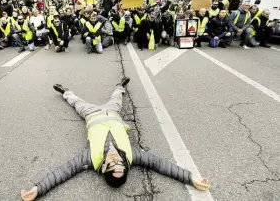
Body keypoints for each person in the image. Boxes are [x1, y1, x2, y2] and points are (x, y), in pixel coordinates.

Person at [21, 77, 211, 201]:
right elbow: (160, 164)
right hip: (112, 114)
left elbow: (63, 172)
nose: (115, 161)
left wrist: (38, 189)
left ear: (104, 168)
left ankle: (65, 91)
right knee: (117, 98)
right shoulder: (132, 157)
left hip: (93, 115)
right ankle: (120, 85)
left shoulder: (90, 159)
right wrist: (191, 178)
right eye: (120, 166)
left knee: (76, 102)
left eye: (111, 166)